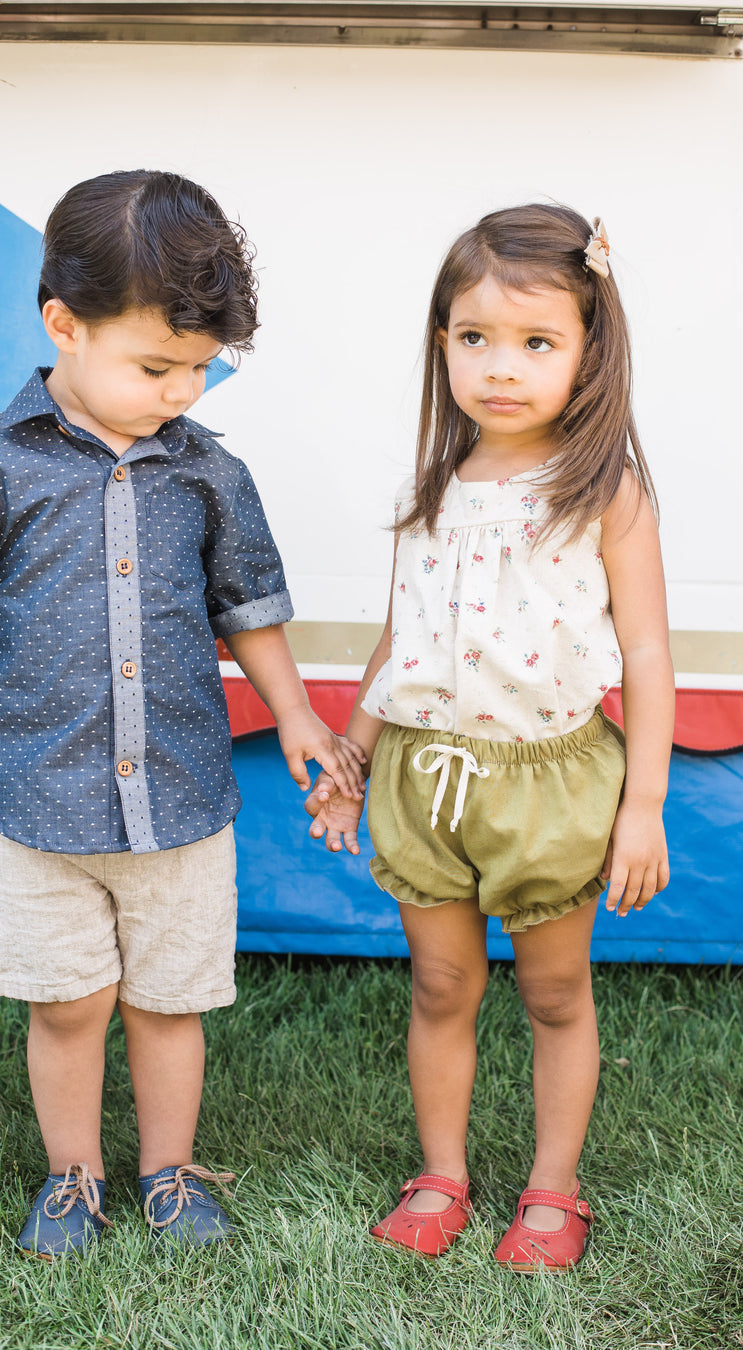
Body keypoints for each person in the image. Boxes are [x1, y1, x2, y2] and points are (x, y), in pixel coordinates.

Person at [0, 170, 365, 1259]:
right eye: (156, 366)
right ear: (63, 323)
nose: (182, 393)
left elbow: (245, 605)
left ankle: (169, 1171)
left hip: (181, 797)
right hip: (39, 802)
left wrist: (296, 717)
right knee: (68, 1004)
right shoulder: (8, 469)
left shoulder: (211, 474)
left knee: (169, 1001)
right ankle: (73, 1178)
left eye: (202, 370)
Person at [305, 203, 674, 1272]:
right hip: (426, 779)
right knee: (440, 985)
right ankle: (443, 1172)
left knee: (554, 992)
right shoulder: (431, 485)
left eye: (535, 342)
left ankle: (553, 1186)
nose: (499, 367)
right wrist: (353, 752)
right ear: (442, 344)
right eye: (475, 338)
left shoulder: (605, 490)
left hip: (549, 784)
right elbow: (400, 641)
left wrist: (643, 802)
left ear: (588, 353)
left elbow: (647, 657)